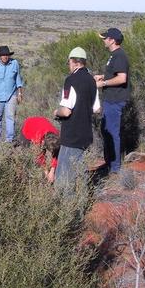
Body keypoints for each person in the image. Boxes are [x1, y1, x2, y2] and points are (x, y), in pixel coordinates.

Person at [53, 47, 100, 191]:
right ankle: (80, 207)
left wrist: (56, 111)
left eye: (69, 62)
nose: (69, 65)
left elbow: (66, 111)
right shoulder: (92, 81)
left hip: (71, 137)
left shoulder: (71, 80)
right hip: (86, 136)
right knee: (80, 176)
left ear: (74, 62)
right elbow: (97, 109)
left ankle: (67, 211)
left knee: (64, 179)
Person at [94, 27, 130, 174]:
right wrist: (103, 76)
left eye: (105, 38)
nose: (103, 40)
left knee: (112, 132)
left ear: (112, 40)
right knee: (106, 130)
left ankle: (115, 168)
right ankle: (109, 163)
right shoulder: (114, 55)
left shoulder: (119, 55)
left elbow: (122, 78)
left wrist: (103, 83)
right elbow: (115, 73)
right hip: (110, 99)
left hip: (115, 100)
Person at [0, 45, 24, 142]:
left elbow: (18, 79)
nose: (5, 57)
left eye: (7, 55)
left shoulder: (14, 63)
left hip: (11, 95)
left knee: (10, 118)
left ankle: (9, 141)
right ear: (0, 56)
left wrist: (19, 93)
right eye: (3, 55)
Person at [20, 116, 60, 183]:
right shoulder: (37, 138)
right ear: (43, 142)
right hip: (28, 126)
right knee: (26, 155)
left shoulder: (57, 135)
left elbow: (56, 154)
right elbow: (40, 156)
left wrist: (52, 170)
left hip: (41, 124)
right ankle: (24, 176)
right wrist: (46, 172)